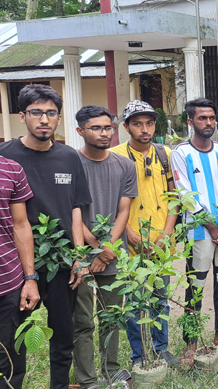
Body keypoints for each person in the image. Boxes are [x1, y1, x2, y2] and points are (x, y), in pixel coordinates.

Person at [0, 84, 91, 389]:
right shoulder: (5, 157)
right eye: (36, 112)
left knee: (63, 334)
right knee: (14, 339)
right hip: (15, 266)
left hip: (61, 262)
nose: (44, 119)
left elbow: (77, 209)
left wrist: (79, 257)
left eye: (51, 113)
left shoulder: (69, 157)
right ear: (22, 116)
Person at [172, 98, 218, 363]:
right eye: (202, 118)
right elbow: (186, 196)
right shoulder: (181, 153)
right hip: (200, 233)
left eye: (212, 118)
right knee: (196, 287)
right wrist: (213, 228)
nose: (209, 123)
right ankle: (191, 341)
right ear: (190, 122)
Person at [109, 100, 179, 367]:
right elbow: (113, 201)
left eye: (149, 123)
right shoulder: (115, 155)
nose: (144, 129)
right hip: (130, 244)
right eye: (137, 124)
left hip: (161, 241)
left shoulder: (165, 154)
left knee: (161, 299)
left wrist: (167, 233)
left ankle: (161, 349)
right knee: (136, 302)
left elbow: (175, 197)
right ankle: (139, 355)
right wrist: (130, 236)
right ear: (126, 127)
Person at [73, 105, 137, 388]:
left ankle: (111, 370)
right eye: (96, 128)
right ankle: (87, 380)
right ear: (80, 131)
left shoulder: (124, 164)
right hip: (80, 254)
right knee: (84, 321)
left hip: (113, 253)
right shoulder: (70, 163)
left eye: (108, 127)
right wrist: (96, 248)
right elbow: (69, 210)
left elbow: (124, 210)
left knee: (111, 318)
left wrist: (108, 247)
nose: (104, 133)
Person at [0, 154, 37, 389]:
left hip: (9, 281)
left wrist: (30, 279)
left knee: (11, 360)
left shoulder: (11, 169)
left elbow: (21, 225)